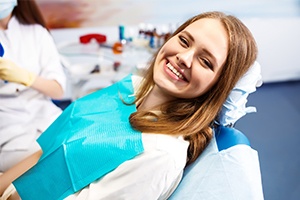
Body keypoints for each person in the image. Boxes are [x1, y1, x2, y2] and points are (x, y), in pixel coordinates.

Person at [0, 11, 263, 200]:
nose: (183, 57)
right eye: (184, 40)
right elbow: (49, 148)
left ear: (219, 86)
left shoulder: (159, 154)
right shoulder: (132, 87)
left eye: (206, 61)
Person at [0, 0, 66, 172]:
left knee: (79, 148)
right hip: (9, 135)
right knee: (49, 162)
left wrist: (27, 78)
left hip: (49, 120)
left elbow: (58, 89)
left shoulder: (37, 33)